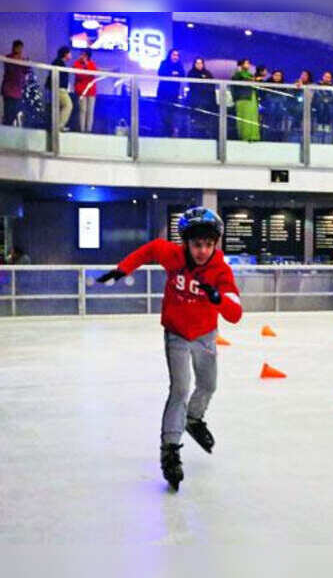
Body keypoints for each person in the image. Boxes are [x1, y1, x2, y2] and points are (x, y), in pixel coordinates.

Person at [96, 207, 243, 490]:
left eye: (209, 245)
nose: (203, 251)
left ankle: (194, 418)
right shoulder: (172, 255)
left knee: (209, 385)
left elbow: (235, 313)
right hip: (176, 333)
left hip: (205, 335)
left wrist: (217, 298)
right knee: (180, 389)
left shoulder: (220, 270)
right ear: (186, 242)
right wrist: (123, 268)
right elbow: (150, 249)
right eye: (197, 244)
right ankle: (170, 450)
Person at [157, 49, 185, 137]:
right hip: (163, 94)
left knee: (173, 115)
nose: (175, 57)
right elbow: (161, 73)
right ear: (170, 55)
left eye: (177, 55)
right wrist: (172, 73)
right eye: (174, 55)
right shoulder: (164, 63)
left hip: (174, 94)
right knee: (163, 115)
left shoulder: (179, 65)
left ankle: (172, 133)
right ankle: (163, 134)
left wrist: (174, 73)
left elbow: (182, 74)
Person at [185, 57, 217, 138]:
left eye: (201, 63)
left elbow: (212, 85)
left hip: (206, 102)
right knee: (196, 120)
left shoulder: (207, 73)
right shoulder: (191, 73)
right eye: (197, 63)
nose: (199, 65)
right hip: (195, 102)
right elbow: (193, 86)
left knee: (206, 120)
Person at [231, 58, 260, 142]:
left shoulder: (250, 74)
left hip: (251, 96)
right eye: (246, 63)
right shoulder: (237, 74)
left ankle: (254, 136)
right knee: (244, 116)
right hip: (242, 98)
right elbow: (240, 80)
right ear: (241, 65)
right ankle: (244, 136)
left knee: (252, 116)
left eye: (248, 63)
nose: (248, 65)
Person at [45, 46, 73, 131]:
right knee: (68, 105)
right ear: (65, 54)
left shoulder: (60, 63)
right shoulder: (58, 63)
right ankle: (59, 126)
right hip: (59, 89)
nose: (71, 55)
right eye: (69, 53)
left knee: (60, 107)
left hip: (59, 89)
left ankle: (57, 126)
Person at [0, 40, 27, 126]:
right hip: (9, 90)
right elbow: (10, 69)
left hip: (17, 91)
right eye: (18, 48)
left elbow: (26, 71)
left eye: (21, 48)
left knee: (16, 112)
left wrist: (24, 62)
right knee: (8, 112)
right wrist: (18, 61)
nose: (20, 50)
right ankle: (6, 129)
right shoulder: (9, 58)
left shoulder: (22, 60)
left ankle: (11, 127)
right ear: (14, 47)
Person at [261, 69, 291, 141]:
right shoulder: (267, 84)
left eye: (279, 75)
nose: (277, 77)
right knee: (272, 105)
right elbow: (264, 96)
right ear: (272, 76)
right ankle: (268, 133)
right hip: (268, 107)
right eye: (276, 75)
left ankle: (278, 134)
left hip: (279, 108)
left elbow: (286, 97)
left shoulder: (284, 86)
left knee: (280, 105)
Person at [73, 49, 98, 133]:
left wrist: (87, 65)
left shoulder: (92, 64)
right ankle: (82, 129)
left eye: (84, 55)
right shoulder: (76, 63)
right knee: (82, 110)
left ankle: (89, 129)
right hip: (81, 91)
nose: (82, 56)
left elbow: (93, 74)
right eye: (81, 54)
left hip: (91, 91)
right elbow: (79, 75)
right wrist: (87, 74)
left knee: (90, 111)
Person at [312, 71, 333, 143]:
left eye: (328, 77)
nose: (327, 78)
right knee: (321, 105)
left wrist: (327, 100)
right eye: (325, 76)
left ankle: (327, 124)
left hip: (329, 104)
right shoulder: (318, 86)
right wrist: (323, 99)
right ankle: (320, 123)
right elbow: (316, 96)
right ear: (323, 77)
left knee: (329, 106)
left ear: (330, 79)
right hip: (319, 104)